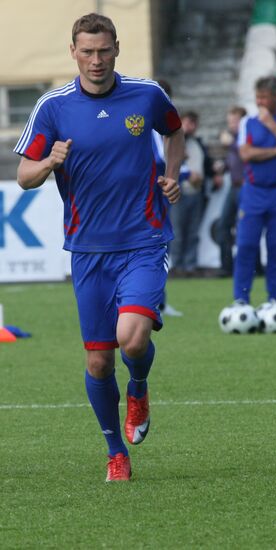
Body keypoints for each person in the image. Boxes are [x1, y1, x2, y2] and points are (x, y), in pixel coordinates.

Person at [14, 13, 185, 481]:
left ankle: (140, 387)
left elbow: (175, 130)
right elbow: (23, 177)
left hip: (143, 240)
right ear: (74, 52)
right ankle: (116, 452)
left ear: (116, 48)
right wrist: (49, 160)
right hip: (88, 251)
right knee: (97, 358)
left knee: (132, 337)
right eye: (87, 51)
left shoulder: (146, 94)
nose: (96, 59)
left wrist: (171, 174)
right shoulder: (53, 106)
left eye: (103, 50)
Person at [234, 76, 276, 304]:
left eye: (264, 97)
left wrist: (271, 125)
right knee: (246, 245)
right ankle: (241, 299)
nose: (260, 102)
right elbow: (246, 154)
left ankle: (274, 298)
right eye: (257, 97)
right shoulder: (247, 122)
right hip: (253, 191)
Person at [153, 78, 183, 317]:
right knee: (157, 248)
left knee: (163, 247)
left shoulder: (170, 127)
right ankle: (155, 303)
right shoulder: (148, 127)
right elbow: (159, 159)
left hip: (162, 195)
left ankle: (159, 302)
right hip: (150, 196)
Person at [169, 111, 204, 276]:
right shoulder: (174, 140)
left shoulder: (198, 143)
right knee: (177, 231)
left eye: (194, 123)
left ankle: (190, 265)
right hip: (179, 191)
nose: (192, 127)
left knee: (193, 232)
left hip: (196, 192)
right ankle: (175, 265)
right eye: (189, 122)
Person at [216, 106, 247, 277]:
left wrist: (232, 145)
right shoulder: (235, 140)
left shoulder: (245, 139)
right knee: (223, 226)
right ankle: (226, 266)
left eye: (235, 121)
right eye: (230, 122)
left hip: (246, 186)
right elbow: (234, 161)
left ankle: (252, 266)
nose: (231, 125)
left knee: (247, 227)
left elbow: (245, 154)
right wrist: (223, 166)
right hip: (234, 186)